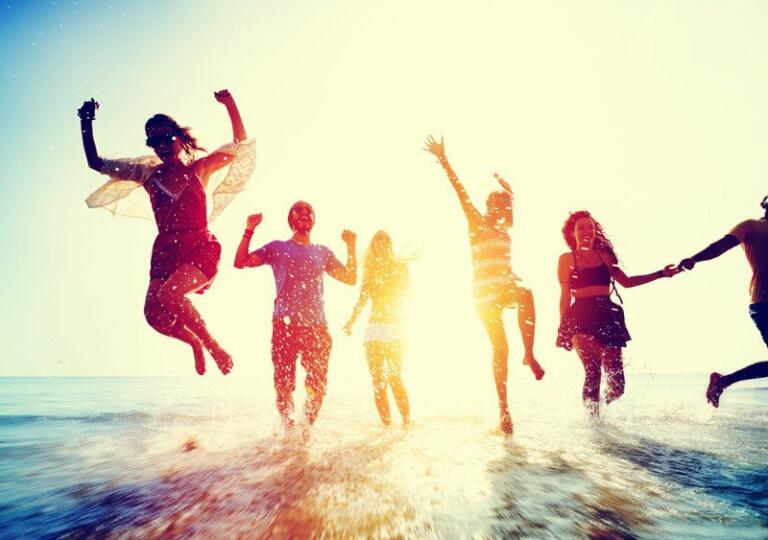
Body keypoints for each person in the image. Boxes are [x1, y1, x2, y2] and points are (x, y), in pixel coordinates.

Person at [79, 90, 256, 375]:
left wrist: (231, 105)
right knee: (153, 314)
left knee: (170, 295)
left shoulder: (200, 169)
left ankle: (213, 347)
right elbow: (95, 163)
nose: (160, 145)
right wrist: (86, 121)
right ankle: (195, 343)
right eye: (154, 141)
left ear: (178, 137)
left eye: (165, 138)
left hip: (200, 246)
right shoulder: (147, 175)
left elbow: (239, 146)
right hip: (166, 251)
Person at [423, 135, 543, 435]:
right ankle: (504, 409)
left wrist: (509, 193)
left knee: (527, 292)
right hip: (483, 297)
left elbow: (511, 202)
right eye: (494, 205)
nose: (498, 210)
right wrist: (444, 159)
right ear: (487, 208)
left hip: (504, 287)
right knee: (499, 348)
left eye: (502, 207)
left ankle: (528, 353)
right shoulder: (477, 223)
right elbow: (460, 191)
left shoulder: (505, 230)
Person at [234, 203, 357, 431]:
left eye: (309, 211)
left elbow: (350, 278)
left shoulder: (323, 252)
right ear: (291, 219)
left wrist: (351, 246)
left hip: (317, 328)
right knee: (283, 386)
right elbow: (240, 262)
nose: (304, 214)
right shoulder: (277, 247)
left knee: (318, 386)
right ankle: (288, 431)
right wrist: (249, 230)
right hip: (284, 326)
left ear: (313, 221)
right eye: (298, 211)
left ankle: (304, 432)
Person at [557, 210, 679, 416]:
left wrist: (661, 274)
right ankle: (592, 423)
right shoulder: (567, 259)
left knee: (618, 386)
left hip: (607, 314)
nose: (586, 230)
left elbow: (628, 282)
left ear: (595, 230)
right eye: (581, 227)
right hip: (580, 316)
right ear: (573, 234)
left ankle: (599, 407)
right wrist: (563, 327)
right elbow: (564, 296)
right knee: (593, 371)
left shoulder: (604, 256)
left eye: (590, 226)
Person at [678, 196, 768, 407]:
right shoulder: (751, 226)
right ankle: (723, 381)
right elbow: (722, 245)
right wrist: (694, 258)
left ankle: (723, 381)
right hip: (764, 303)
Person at [343, 231, 411, 427]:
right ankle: (386, 427)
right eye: (376, 242)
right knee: (378, 381)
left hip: (398, 328)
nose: (380, 245)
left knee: (395, 376)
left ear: (389, 244)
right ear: (373, 247)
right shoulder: (370, 272)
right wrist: (350, 322)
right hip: (374, 329)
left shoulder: (401, 267)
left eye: (384, 241)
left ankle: (407, 424)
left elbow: (409, 293)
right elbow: (362, 301)